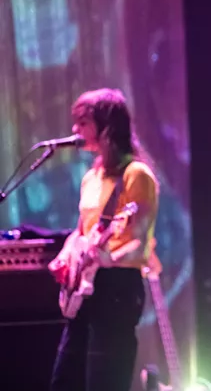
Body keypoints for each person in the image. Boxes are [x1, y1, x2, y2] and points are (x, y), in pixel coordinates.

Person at [47, 88, 160, 391]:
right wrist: (68, 253)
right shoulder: (91, 177)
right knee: (63, 382)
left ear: (107, 126)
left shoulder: (136, 175)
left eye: (83, 122)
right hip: (85, 290)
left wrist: (110, 257)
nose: (75, 130)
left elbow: (141, 240)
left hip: (117, 291)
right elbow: (82, 230)